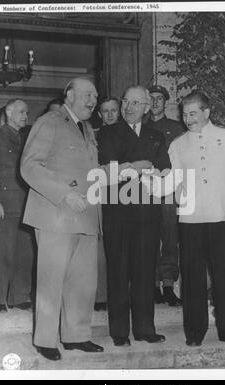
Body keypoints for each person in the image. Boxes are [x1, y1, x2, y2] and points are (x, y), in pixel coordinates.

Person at [143, 90, 225, 346]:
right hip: (190, 218)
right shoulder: (178, 144)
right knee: (192, 277)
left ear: (207, 112)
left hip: (221, 216)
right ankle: (195, 333)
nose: (188, 118)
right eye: (185, 114)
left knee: (223, 274)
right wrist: (149, 178)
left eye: (193, 113)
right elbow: (169, 182)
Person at [21, 77, 104, 361]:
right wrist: (64, 193)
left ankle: (76, 336)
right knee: (51, 280)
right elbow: (30, 166)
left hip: (86, 215)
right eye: (86, 95)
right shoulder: (50, 122)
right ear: (69, 95)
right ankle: (45, 339)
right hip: (55, 215)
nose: (93, 100)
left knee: (83, 282)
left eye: (95, 95)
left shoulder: (88, 129)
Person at [98, 85, 170, 347]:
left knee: (144, 272)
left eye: (135, 103)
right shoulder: (107, 133)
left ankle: (144, 329)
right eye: (126, 101)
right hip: (117, 212)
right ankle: (119, 332)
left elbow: (164, 169)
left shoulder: (156, 136)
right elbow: (108, 165)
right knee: (118, 272)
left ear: (147, 107)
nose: (128, 107)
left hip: (148, 213)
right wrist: (140, 166)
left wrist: (144, 170)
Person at [146, 85, 184, 306]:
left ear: (165, 102)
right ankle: (152, 286)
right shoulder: (140, 127)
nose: (155, 102)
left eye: (159, 98)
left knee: (170, 237)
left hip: (169, 189)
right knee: (148, 237)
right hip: (146, 191)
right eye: (151, 98)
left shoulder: (176, 128)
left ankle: (168, 284)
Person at [0, 99, 34, 312]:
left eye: (27, 112)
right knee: (3, 252)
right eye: (21, 112)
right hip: (5, 203)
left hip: (24, 203)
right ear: (9, 112)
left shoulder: (24, 138)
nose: (25, 116)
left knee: (24, 252)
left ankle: (19, 296)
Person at [93, 97, 120, 312]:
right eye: (105, 111)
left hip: (126, 196)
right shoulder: (93, 136)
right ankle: (101, 295)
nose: (110, 115)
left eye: (113, 110)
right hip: (101, 192)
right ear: (99, 114)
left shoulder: (129, 135)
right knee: (101, 243)